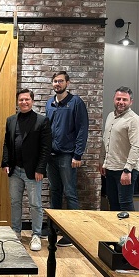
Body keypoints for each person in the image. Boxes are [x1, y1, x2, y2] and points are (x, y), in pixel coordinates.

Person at [2, 89, 51, 251]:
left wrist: (40, 169)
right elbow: (7, 144)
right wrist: (5, 162)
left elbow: (46, 148)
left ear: (32, 101)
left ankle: (36, 234)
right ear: (17, 102)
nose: (24, 102)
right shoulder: (11, 120)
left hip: (33, 171)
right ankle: (16, 232)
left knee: (35, 204)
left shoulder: (42, 121)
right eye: (21, 100)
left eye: (27, 99)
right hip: (14, 170)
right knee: (15, 202)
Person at [45, 71, 89, 247]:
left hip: (67, 155)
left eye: (61, 81)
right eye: (55, 81)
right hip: (51, 156)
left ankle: (72, 234)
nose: (58, 84)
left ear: (67, 83)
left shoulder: (76, 102)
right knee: (55, 191)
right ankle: (54, 228)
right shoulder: (50, 103)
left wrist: (77, 154)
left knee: (70, 193)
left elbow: (82, 129)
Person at [100, 86, 139, 211]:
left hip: (125, 170)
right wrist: (102, 161)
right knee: (113, 204)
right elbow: (105, 139)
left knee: (125, 205)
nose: (121, 102)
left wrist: (127, 170)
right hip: (110, 168)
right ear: (114, 100)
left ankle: (130, 225)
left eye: (125, 99)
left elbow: (136, 147)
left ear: (131, 102)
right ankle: (116, 226)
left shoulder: (134, 121)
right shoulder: (110, 116)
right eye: (118, 99)